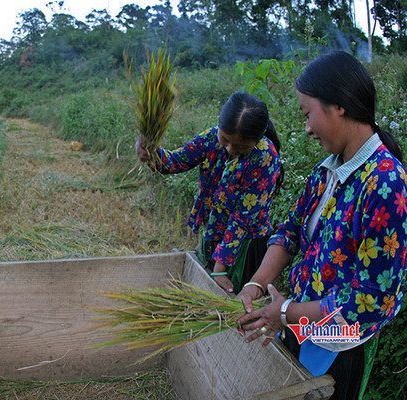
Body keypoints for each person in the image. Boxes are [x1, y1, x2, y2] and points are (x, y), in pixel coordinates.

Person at [237, 51, 407, 400]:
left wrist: (286, 312)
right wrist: (256, 283)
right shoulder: (326, 172)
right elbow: (290, 232)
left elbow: (372, 298)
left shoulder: (386, 184)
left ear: (338, 106)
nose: (307, 127)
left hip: (340, 349)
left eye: (308, 114)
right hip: (301, 328)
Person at [135, 91, 283, 294]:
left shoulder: (264, 157)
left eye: (241, 146)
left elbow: (242, 219)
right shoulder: (212, 138)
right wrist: (151, 153)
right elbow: (176, 161)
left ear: (257, 137)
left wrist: (220, 269)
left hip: (245, 245)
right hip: (214, 234)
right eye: (225, 139)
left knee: (233, 306)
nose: (230, 149)